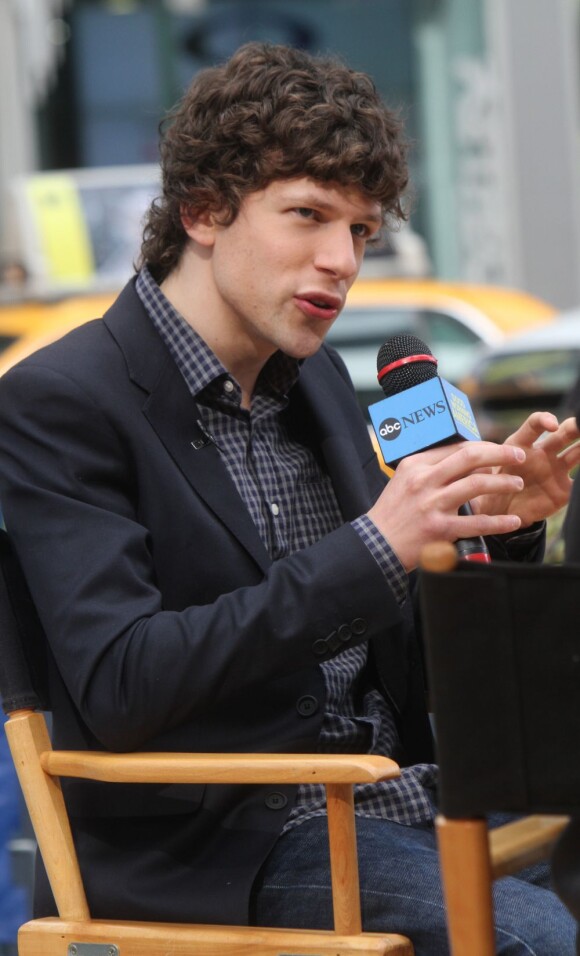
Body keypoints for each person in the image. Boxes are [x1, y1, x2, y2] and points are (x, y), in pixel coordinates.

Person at [0, 41, 578, 956]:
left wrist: (501, 529)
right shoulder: (62, 401)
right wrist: (376, 548)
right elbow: (120, 684)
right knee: (533, 938)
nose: (340, 259)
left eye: (358, 231)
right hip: (230, 840)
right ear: (202, 211)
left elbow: (416, 672)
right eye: (306, 215)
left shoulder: (318, 388)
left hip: (402, 792)